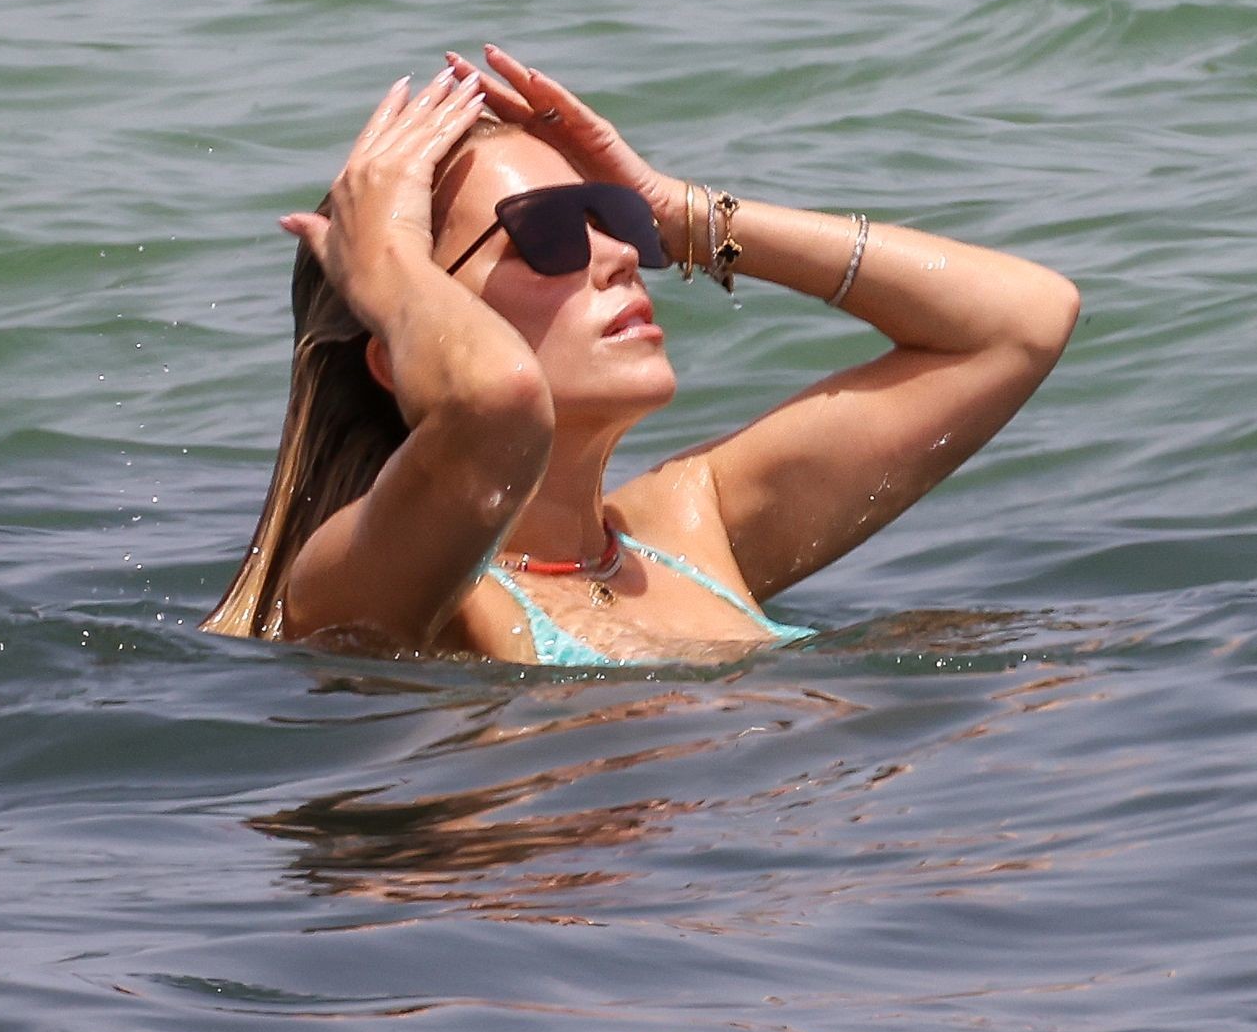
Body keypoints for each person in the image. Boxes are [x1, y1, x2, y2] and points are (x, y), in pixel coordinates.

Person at [201, 45, 1081, 667]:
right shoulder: (372, 581)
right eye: (547, 234)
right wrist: (386, 265)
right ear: (395, 356)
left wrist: (685, 216)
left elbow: (1020, 321)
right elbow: (495, 404)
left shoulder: (691, 529)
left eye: (611, 219)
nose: (620, 254)